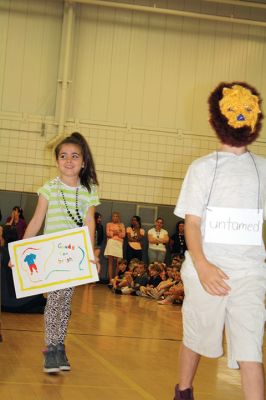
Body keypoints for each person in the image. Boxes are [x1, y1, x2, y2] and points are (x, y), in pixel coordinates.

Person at [173, 82, 266, 400]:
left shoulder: (263, 170)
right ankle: (183, 391)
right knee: (196, 337)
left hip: (250, 274)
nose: (240, 115)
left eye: (247, 110)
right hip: (206, 271)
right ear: (217, 118)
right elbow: (192, 224)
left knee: (251, 349)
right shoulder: (201, 169)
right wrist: (202, 265)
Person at [14, 132, 100, 374]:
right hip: (50, 254)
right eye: (63, 156)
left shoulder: (88, 189)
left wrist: (91, 253)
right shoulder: (48, 189)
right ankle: (51, 349)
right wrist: (19, 252)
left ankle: (59, 346)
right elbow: (35, 222)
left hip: (74, 256)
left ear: (83, 162)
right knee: (54, 302)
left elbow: (89, 221)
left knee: (64, 304)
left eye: (75, 156)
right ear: (57, 161)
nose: (69, 160)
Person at [104, 212, 125, 283]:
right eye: (114, 216)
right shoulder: (108, 224)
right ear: (112, 217)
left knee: (118, 263)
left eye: (117, 216)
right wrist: (117, 232)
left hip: (119, 243)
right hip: (111, 243)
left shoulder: (121, 225)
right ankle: (110, 280)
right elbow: (108, 234)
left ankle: (115, 279)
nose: (115, 217)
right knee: (110, 262)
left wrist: (114, 232)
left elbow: (123, 235)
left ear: (119, 217)